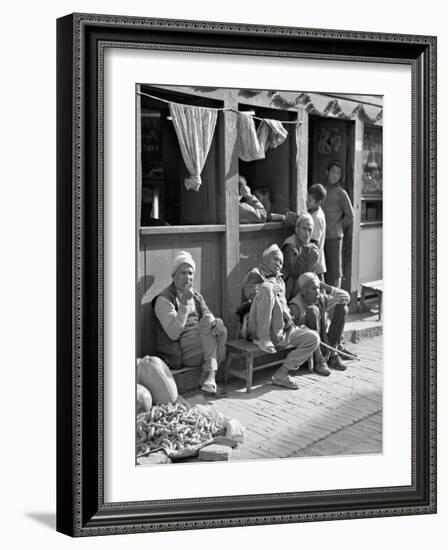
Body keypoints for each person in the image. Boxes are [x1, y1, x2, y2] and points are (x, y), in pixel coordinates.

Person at [239, 244, 320, 389]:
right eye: (275, 259)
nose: (279, 264)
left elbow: (284, 307)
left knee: (313, 339)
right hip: (259, 327)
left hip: (282, 329)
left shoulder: (280, 280)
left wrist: (289, 317)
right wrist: (270, 286)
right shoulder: (255, 274)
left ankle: (281, 374)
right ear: (265, 259)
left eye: (281, 262)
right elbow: (254, 299)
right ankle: (263, 338)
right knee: (267, 288)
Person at [152, 251, 228, 397]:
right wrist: (185, 303)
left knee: (221, 329)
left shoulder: (196, 296)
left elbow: (208, 316)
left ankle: (208, 379)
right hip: (181, 350)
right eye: (183, 273)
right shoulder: (164, 300)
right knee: (213, 333)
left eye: (191, 273)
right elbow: (174, 334)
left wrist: (217, 323)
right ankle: (210, 376)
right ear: (173, 276)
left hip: (201, 344)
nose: (188, 277)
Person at [289, 272, 351, 373]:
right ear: (303, 291)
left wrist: (325, 286)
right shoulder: (295, 306)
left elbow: (346, 298)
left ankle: (333, 355)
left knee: (342, 308)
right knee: (313, 310)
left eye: (318, 288)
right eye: (314, 289)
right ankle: (319, 361)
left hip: (324, 342)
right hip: (308, 350)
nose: (318, 291)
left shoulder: (320, 299)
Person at [321, 160, 354, 288]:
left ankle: (336, 302)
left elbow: (350, 216)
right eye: (333, 172)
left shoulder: (341, 192)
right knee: (322, 269)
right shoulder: (322, 189)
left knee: (335, 273)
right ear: (327, 172)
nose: (335, 175)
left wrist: (338, 227)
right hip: (320, 235)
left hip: (334, 238)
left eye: (338, 173)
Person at [281, 211, 319, 301]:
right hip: (290, 291)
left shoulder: (310, 247)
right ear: (297, 229)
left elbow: (312, 274)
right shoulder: (290, 245)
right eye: (304, 229)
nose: (307, 233)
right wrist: (306, 251)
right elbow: (294, 271)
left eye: (309, 230)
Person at [307, 183, 327, 280]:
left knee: (318, 286)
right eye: (307, 199)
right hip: (315, 261)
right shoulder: (312, 212)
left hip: (315, 262)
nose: (307, 202)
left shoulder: (317, 217)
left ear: (318, 203)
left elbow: (314, 243)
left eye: (310, 200)